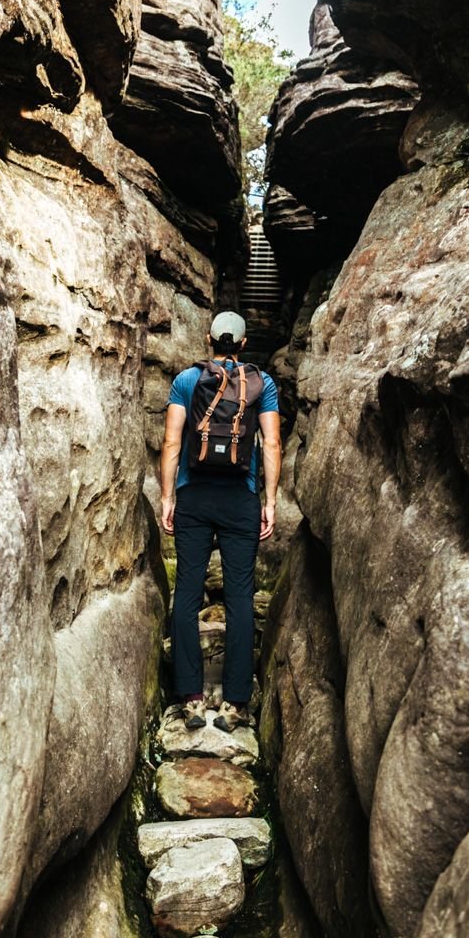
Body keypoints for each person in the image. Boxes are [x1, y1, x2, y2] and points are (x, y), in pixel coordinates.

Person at [160, 311, 282, 732]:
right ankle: (234, 704)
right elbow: (272, 443)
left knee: (188, 594)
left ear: (208, 339)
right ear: (244, 344)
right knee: (240, 599)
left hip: (194, 496)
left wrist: (167, 497)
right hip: (240, 499)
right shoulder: (261, 384)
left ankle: (191, 698)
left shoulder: (186, 381)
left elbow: (172, 441)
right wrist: (269, 500)